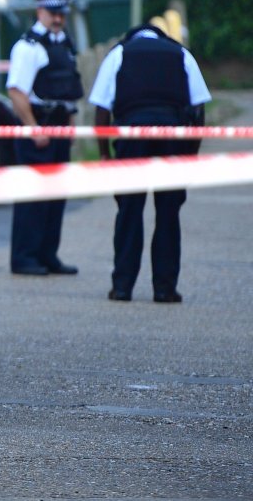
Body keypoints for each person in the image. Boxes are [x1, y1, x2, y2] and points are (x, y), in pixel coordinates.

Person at [88, 22, 211, 303]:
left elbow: (101, 108)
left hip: (132, 139)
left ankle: (122, 287)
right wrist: (191, 154)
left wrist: (105, 154)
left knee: (129, 212)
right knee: (168, 213)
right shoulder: (181, 54)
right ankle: (165, 288)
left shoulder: (119, 54)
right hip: (172, 138)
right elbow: (199, 107)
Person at [6, 0, 82, 276]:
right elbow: (16, 92)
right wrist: (32, 128)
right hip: (37, 123)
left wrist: (71, 125)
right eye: (53, 14)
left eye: (62, 14)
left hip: (60, 122)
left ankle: (48, 255)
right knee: (33, 194)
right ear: (40, 12)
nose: (58, 19)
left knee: (56, 194)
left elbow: (67, 89)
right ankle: (24, 257)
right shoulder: (28, 47)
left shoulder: (64, 44)